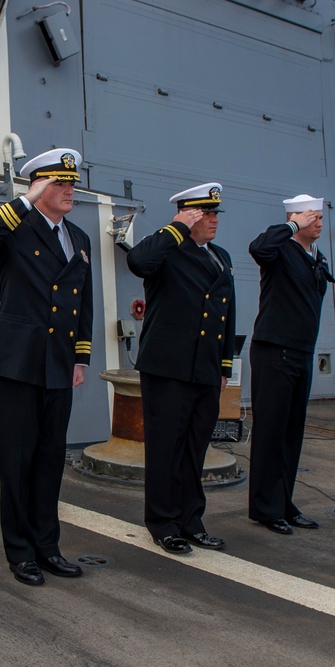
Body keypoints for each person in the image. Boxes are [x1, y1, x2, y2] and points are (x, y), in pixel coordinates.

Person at [0, 148, 93, 586]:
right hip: (18, 361)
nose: (69, 190)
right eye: (58, 183)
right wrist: (23, 201)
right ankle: (20, 551)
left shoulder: (79, 237)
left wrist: (80, 356)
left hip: (59, 362)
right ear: (37, 186)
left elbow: (84, 302)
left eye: (71, 183)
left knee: (49, 460)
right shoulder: (14, 228)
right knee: (19, 461)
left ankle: (48, 546)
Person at [127, 183, 235, 554]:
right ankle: (162, 523)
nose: (213, 220)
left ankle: (191, 521)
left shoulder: (220, 257)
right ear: (188, 216)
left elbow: (227, 313)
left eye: (215, 213)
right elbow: (137, 262)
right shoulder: (167, 249)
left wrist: (224, 364)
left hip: (205, 368)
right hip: (168, 367)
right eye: (205, 214)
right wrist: (174, 228)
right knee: (165, 448)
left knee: (195, 448)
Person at [247, 194, 335, 534]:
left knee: (291, 432)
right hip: (275, 351)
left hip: (301, 351)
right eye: (311, 217)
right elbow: (259, 248)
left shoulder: (316, 256)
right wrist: (292, 225)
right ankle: (265, 508)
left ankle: (284, 501)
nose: (319, 223)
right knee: (271, 431)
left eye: (320, 218)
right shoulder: (280, 248)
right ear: (295, 219)